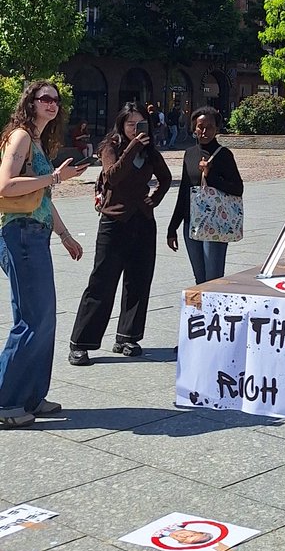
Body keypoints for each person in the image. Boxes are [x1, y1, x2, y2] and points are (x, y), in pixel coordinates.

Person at [0, 80, 87, 429]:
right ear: (31, 102)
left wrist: (64, 235)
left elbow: (41, 199)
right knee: (31, 320)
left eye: (56, 99)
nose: (52, 104)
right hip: (18, 234)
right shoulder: (20, 136)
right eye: (45, 99)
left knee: (44, 318)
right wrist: (53, 176)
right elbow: (5, 185)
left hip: (33, 234)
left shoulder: (36, 141)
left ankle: (31, 395)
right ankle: (6, 401)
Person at [68, 103, 172, 365]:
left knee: (138, 281)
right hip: (114, 222)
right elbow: (113, 176)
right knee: (101, 282)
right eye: (130, 124)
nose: (135, 129)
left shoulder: (149, 151)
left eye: (140, 124)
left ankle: (128, 336)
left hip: (143, 222)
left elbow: (166, 177)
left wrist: (155, 199)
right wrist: (133, 145)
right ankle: (81, 343)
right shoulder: (110, 147)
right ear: (121, 125)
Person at [166, 106, 244, 283]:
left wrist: (211, 176)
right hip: (192, 222)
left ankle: (215, 311)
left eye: (210, 126)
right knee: (200, 279)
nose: (204, 131)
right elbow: (184, 191)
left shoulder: (224, 155)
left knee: (213, 279)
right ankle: (201, 312)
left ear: (217, 129)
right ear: (194, 128)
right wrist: (173, 227)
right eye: (200, 126)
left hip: (215, 222)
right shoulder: (190, 154)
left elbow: (237, 189)